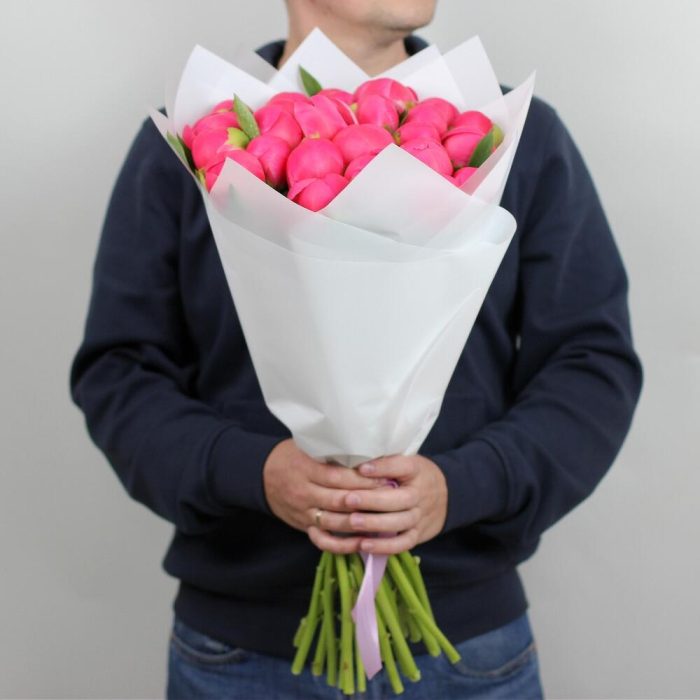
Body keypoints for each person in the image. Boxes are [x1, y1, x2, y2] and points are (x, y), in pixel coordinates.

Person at [69, 1, 643, 698]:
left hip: (467, 648)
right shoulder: (192, 144)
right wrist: (253, 473)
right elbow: (120, 372)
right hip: (239, 650)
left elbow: (591, 363)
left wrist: (462, 486)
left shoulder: (506, 137)